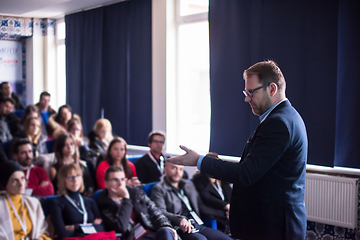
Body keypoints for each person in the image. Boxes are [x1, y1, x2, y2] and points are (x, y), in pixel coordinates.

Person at [167, 60, 308, 240]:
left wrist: (199, 161)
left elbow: (246, 173)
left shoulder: (278, 123)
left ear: (272, 89)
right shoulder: (286, 117)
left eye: (251, 92)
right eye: (246, 92)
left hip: (274, 226)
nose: (247, 98)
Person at [151, 162, 233, 240]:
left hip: (197, 224)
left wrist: (224, 213)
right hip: (180, 227)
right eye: (174, 168)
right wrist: (179, 219)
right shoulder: (159, 189)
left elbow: (201, 206)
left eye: (181, 169)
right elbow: (160, 212)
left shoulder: (188, 184)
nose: (177, 172)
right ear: (165, 170)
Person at [96, 166, 178, 240]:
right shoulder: (103, 203)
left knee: (166, 231)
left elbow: (155, 211)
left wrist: (165, 225)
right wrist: (126, 199)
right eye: (115, 180)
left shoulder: (135, 192)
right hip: (133, 238)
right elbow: (121, 227)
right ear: (106, 183)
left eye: (122, 179)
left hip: (152, 232)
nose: (120, 184)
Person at [50, 163, 106, 239]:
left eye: (78, 176)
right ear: (63, 180)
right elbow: (62, 233)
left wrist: (75, 227)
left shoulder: (90, 201)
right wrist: (90, 227)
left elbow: (102, 228)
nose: (75, 180)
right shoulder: (56, 202)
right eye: (70, 177)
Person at [0, 161, 50, 240]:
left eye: (22, 178)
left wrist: (41, 238)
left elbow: (42, 230)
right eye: (15, 180)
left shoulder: (33, 203)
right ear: (6, 184)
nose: (21, 184)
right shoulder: (1, 205)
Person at [191, 154, 232, 235]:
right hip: (214, 214)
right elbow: (207, 197)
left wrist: (231, 207)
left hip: (228, 214)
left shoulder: (222, 180)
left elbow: (230, 195)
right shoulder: (199, 179)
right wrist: (225, 206)